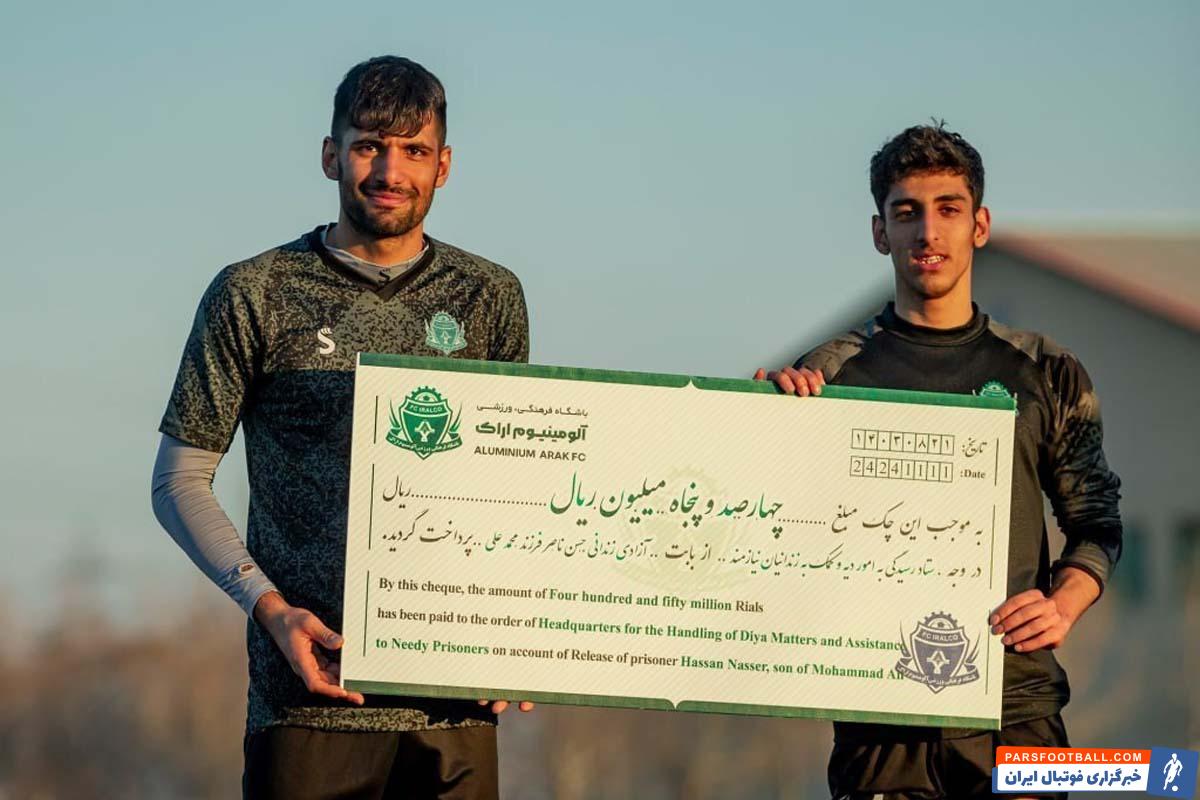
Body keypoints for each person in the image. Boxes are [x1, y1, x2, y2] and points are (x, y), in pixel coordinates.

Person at [151, 55, 531, 799]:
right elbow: (178, 482)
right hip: (308, 705)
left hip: (453, 710)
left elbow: (512, 488)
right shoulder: (254, 291)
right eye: (369, 146)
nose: (390, 170)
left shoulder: (489, 295)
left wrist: (514, 636)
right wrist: (271, 610)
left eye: (413, 150)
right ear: (331, 154)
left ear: (443, 166)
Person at [755, 123, 1123, 800]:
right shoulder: (829, 374)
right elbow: (768, 530)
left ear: (979, 225)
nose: (928, 232)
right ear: (880, 233)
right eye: (907, 213)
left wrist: (1064, 605)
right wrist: (762, 424)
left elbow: (1098, 523)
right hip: (878, 720)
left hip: (1019, 707)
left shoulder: (1046, 370)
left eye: (948, 209)